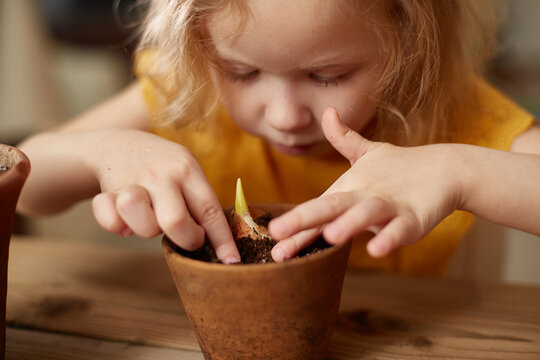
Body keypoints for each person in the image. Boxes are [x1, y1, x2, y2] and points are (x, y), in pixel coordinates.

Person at [17, 0, 540, 275]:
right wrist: (102, 151)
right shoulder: (190, 91)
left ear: (409, 45)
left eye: (327, 75)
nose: (285, 116)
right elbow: (24, 182)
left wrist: (461, 171)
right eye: (242, 73)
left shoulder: (456, 110)